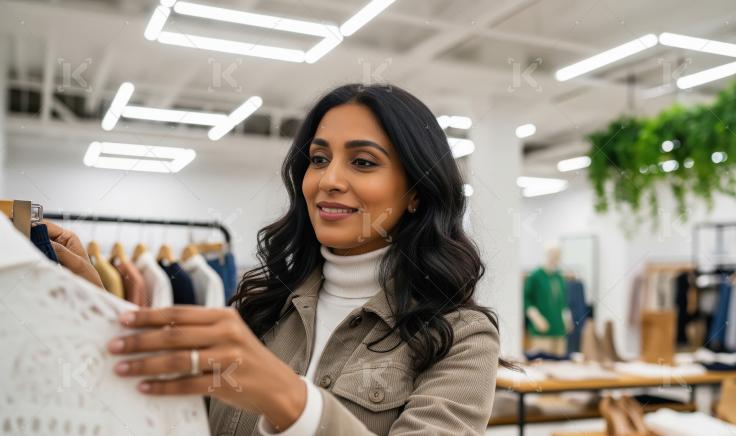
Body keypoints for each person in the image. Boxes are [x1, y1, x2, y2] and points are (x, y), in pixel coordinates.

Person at [53, 83, 503, 435]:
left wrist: (288, 399)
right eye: (319, 159)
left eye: (363, 162)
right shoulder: (260, 307)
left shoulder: (461, 338)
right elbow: (171, 419)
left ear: (416, 192)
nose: (328, 180)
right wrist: (97, 305)